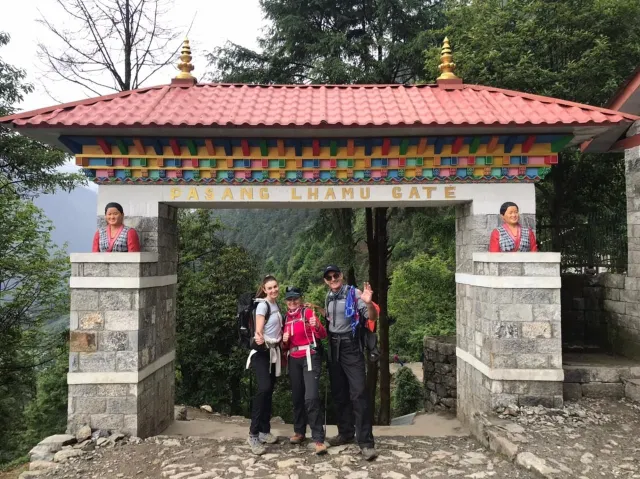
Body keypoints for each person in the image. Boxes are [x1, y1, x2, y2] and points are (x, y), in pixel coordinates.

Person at [323, 265, 379, 461]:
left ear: (342, 276)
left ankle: (365, 441)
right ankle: (346, 433)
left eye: (335, 275)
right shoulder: (328, 296)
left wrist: (369, 303)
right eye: (329, 277)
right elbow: (329, 321)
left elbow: (371, 317)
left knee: (358, 393)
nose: (333, 279)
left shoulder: (354, 293)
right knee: (340, 393)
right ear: (325, 281)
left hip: (351, 347)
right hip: (334, 347)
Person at [281, 286, 328, 455]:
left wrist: (317, 325)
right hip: (294, 359)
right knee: (297, 397)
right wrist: (284, 341)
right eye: (289, 299)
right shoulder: (285, 318)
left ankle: (318, 439)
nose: (292, 302)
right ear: (286, 302)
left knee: (311, 397)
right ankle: (299, 432)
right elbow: (284, 346)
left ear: (300, 299)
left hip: (310, 355)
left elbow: (322, 335)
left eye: (295, 298)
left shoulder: (307, 313)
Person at [246, 275, 283, 455]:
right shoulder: (263, 305)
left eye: (275, 287)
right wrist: (259, 336)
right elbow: (259, 331)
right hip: (262, 353)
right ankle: (253, 434)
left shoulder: (276, 304)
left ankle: (264, 431)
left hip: (273, 352)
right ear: (264, 289)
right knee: (263, 389)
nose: (273, 290)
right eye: (270, 288)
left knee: (268, 391)